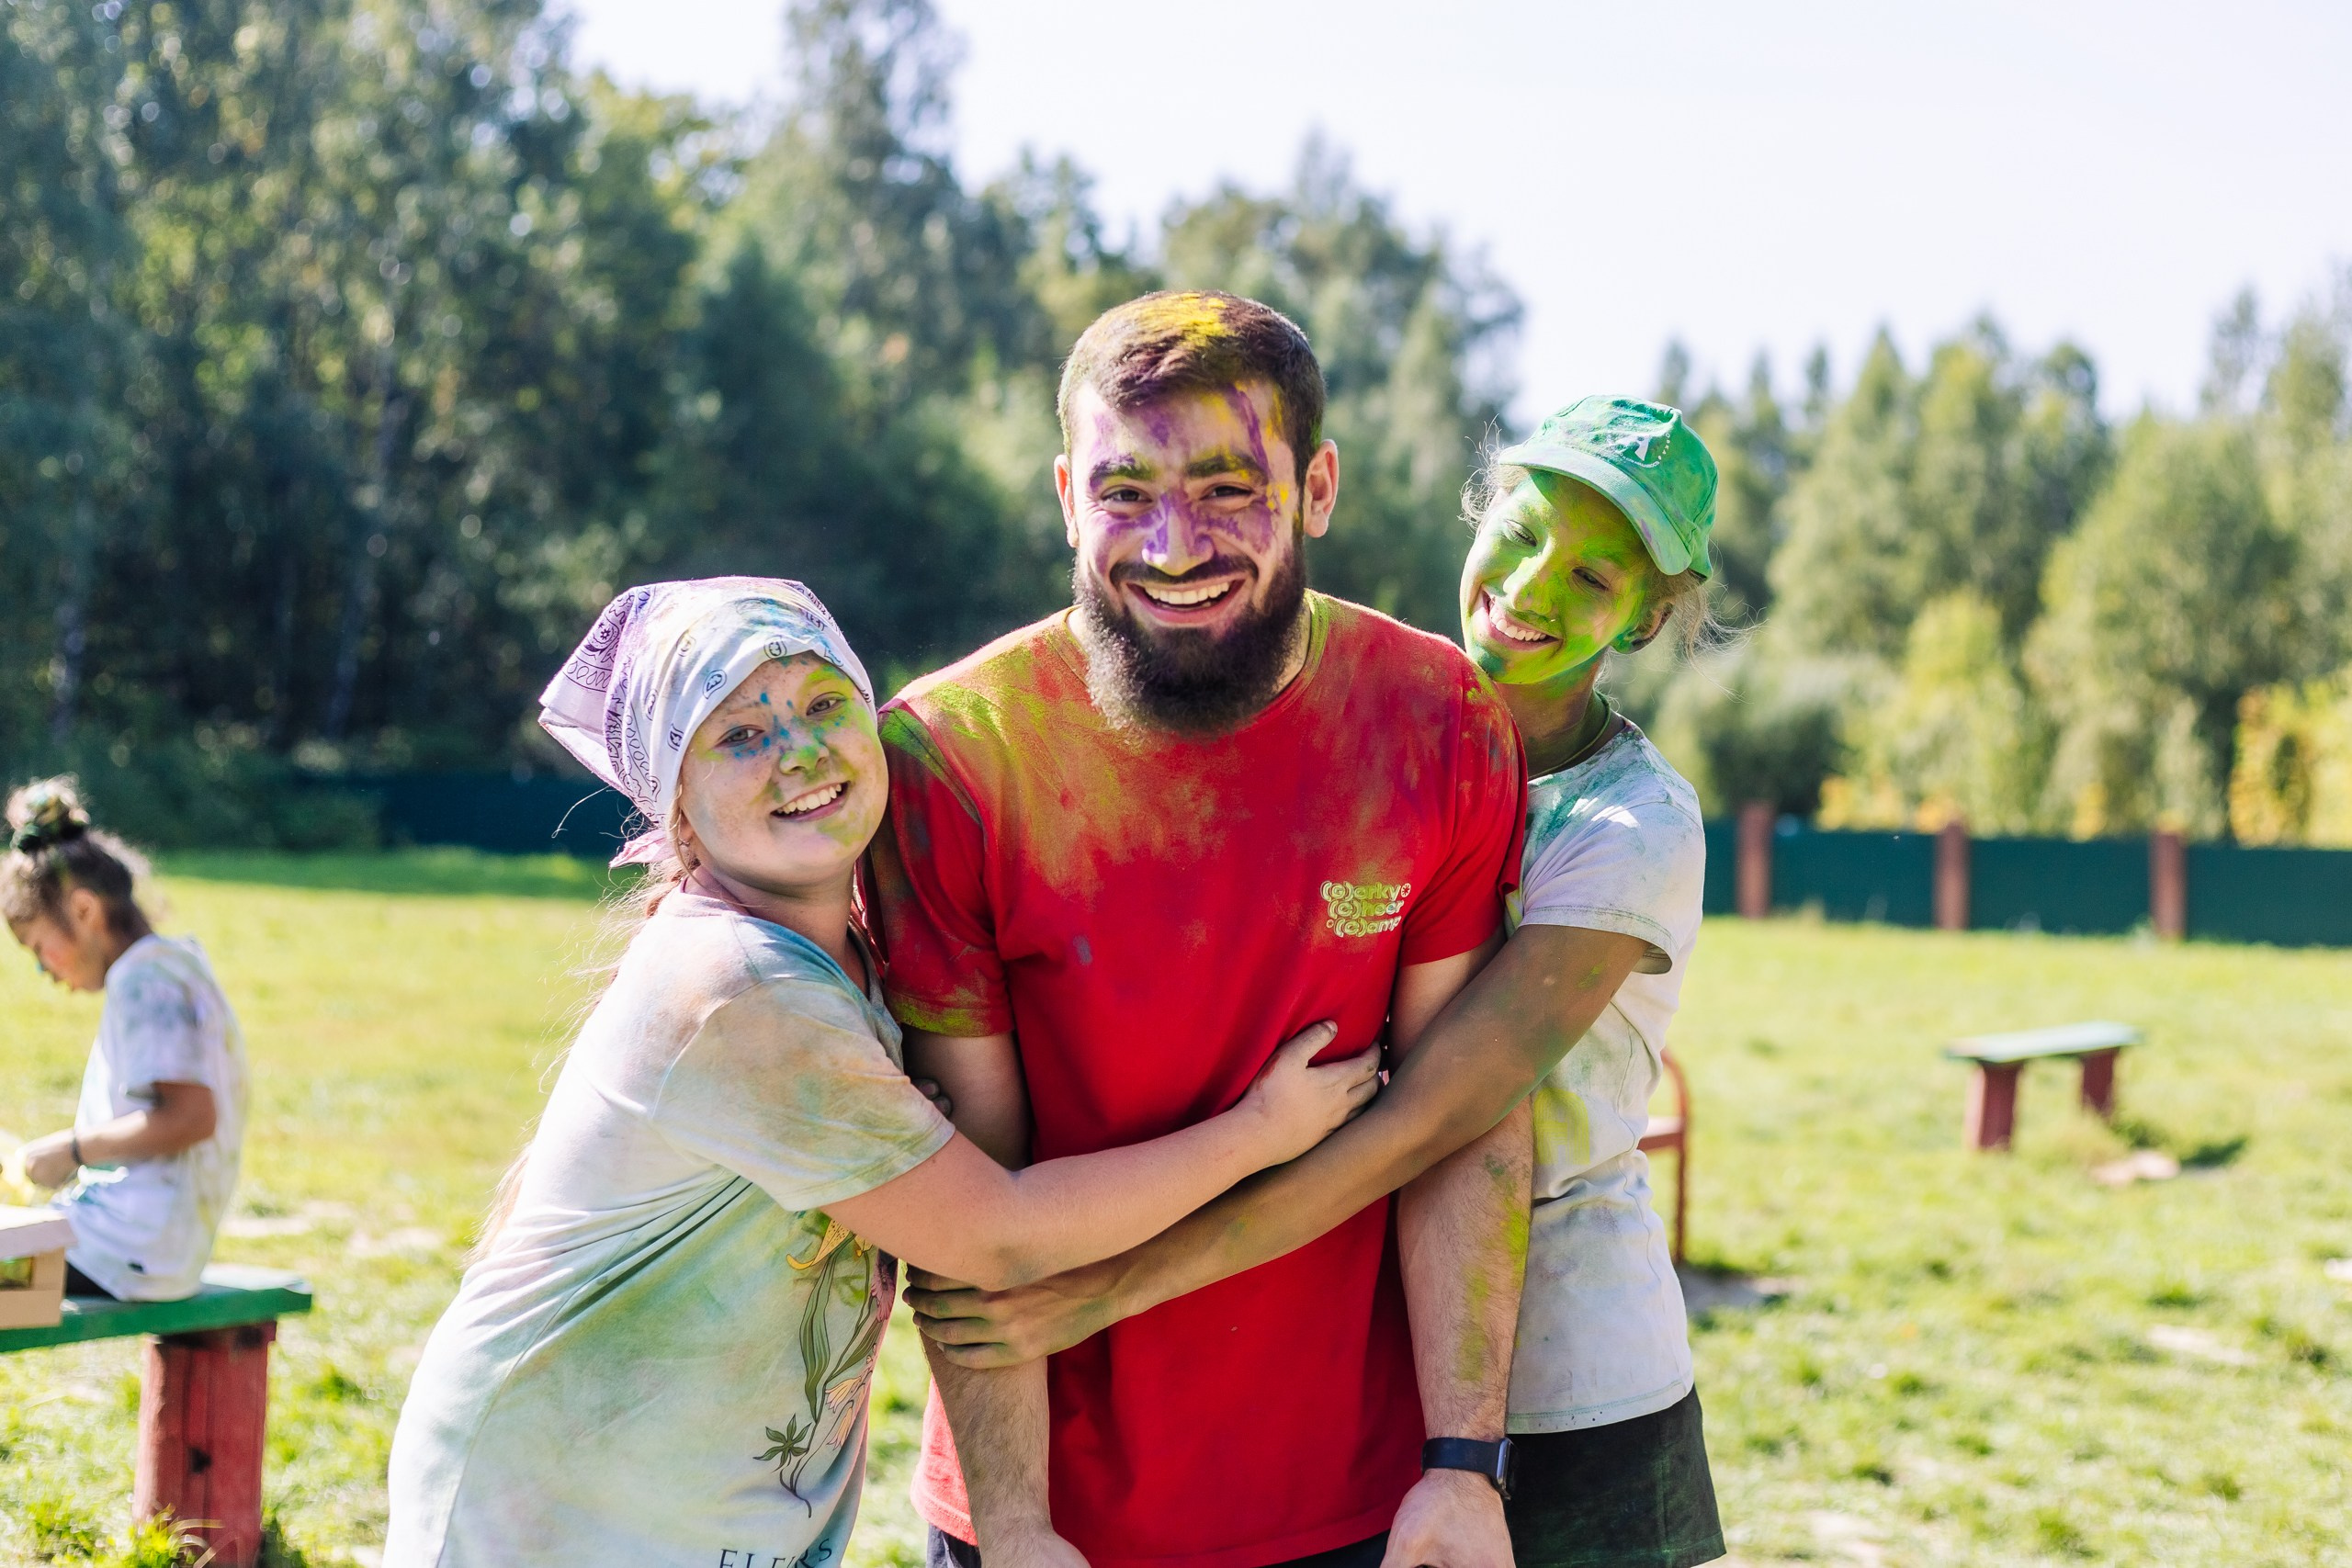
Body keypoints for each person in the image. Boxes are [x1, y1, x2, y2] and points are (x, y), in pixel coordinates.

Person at [383, 578, 1377, 1568]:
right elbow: (1002, 1236)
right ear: (675, 808)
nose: (801, 753)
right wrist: (1259, 1131)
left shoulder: (848, 959)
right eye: (739, 736)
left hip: (670, 1504)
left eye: (824, 705)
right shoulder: (739, 990)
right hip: (555, 1515)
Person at [907, 399, 1727, 1568]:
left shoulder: (1630, 826)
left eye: (1595, 579)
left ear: (1644, 621)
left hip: (1561, 1370)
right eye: (1522, 528)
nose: (1534, 587)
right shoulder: (1379, 722)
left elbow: (1428, 1123)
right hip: (1384, 1353)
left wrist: (1103, 1289)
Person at [864, 290, 1532, 1568]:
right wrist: (1014, 1526)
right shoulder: (954, 753)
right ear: (1067, 495)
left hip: (1362, 1501)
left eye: (1229, 487)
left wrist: (1463, 1460)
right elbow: (972, 1190)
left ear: (1317, 484)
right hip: (1050, 1512)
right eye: (1126, 492)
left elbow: (1465, 1111)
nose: (1175, 542)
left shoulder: (1435, 717)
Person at [3, 777, 247, 1303]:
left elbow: (191, 1117)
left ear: (86, 911)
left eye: (40, 949)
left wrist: (69, 1151)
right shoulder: (173, 966)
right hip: (151, 1250)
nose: (45, 971)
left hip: (125, 1250)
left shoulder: (145, 979)